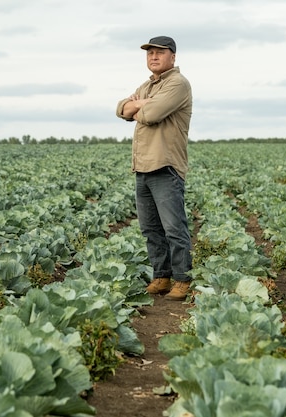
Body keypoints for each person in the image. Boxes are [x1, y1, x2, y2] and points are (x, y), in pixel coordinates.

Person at [115, 35, 193, 301]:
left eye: (160, 52)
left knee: (173, 228)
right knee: (150, 228)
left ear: (173, 56)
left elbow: (149, 115)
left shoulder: (178, 84)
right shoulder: (148, 86)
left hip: (166, 166)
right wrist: (138, 104)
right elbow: (120, 109)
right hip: (143, 167)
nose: (153, 57)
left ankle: (182, 279)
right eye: (150, 53)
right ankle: (161, 276)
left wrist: (139, 107)